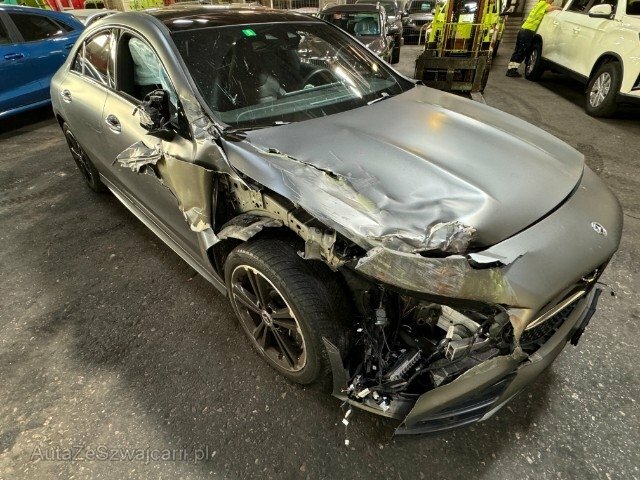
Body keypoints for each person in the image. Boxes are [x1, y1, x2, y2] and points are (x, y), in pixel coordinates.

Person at [506, 0, 561, 77]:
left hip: (523, 30)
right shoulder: (543, 4)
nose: (552, 2)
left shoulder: (539, 4)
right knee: (522, 52)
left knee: (518, 50)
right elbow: (551, 8)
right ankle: (512, 71)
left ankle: (510, 69)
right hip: (528, 31)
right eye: (552, 0)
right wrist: (561, 8)